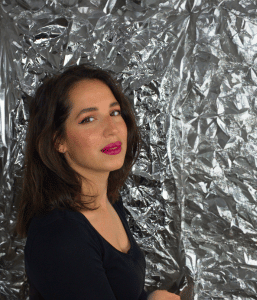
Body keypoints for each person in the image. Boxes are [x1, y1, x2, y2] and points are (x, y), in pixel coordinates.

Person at [15, 64, 180, 300]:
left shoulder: (108, 199)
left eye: (114, 112)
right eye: (88, 119)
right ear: (58, 141)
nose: (112, 129)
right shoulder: (61, 236)